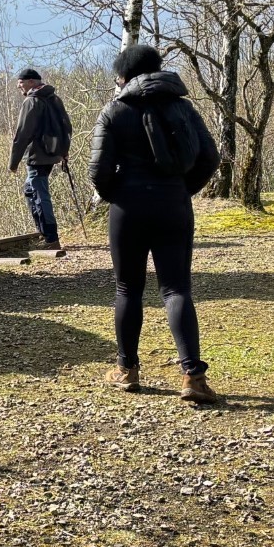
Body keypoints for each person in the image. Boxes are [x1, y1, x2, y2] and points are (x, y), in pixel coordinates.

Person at [88, 44, 222, 404]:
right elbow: (210, 158)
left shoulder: (114, 110)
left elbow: (98, 171)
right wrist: (181, 189)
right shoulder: (182, 106)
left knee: (127, 288)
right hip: (173, 204)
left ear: (125, 75)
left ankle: (127, 370)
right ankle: (193, 376)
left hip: (128, 208)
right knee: (176, 289)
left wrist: (121, 192)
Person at [9, 68, 72, 252]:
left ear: (31, 82)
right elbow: (67, 127)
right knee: (30, 189)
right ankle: (44, 234)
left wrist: (13, 163)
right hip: (52, 154)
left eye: (20, 82)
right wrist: (63, 151)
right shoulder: (54, 98)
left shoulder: (32, 101)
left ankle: (51, 239)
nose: (18, 86)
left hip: (37, 156)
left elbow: (22, 134)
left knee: (39, 195)